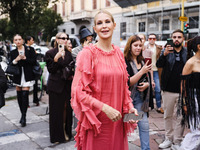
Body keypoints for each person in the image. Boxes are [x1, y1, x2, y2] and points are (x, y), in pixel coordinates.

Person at [71, 10, 138, 150]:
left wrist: (130, 108)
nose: (104, 26)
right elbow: (78, 92)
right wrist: (105, 108)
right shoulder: (87, 54)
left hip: (118, 121)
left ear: (114, 25)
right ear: (95, 29)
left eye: (107, 22)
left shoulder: (119, 53)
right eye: (99, 23)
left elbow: (124, 88)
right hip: (97, 122)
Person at [156, 29, 187, 150]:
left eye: (179, 37)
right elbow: (158, 65)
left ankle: (177, 141)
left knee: (181, 117)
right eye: (174, 37)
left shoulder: (188, 52)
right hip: (168, 89)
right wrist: (163, 55)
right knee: (168, 115)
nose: (176, 39)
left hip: (183, 91)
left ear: (183, 39)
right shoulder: (166, 51)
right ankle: (168, 139)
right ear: (171, 38)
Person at [45, 32, 73, 143]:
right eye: (62, 38)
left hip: (67, 85)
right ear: (57, 40)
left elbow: (71, 69)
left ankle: (66, 132)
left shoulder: (69, 53)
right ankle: (57, 136)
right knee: (56, 111)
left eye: (66, 38)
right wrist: (56, 59)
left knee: (68, 110)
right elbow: (51, 70)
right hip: (55, 86)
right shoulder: (50, 53)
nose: (65, 40)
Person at [124, 35, 152, 150]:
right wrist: (142, 72)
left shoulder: (143, 60)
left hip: (140, 99)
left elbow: (147, 78)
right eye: (135, 45)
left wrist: (147, 84)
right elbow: (127, 82)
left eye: (140, 45)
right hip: (127, 100)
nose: (138, 48)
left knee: (144, 125)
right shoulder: (124, 61)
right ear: (130, 46)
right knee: (124, 128)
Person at [178, 36, 200, 150]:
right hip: (194, 99)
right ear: (199, 47)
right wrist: (185, 103)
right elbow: (183, 85)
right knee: (196, 130)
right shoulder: (190, 62)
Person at [10, 34, 36, 127]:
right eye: (16, 40)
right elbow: (11, 64)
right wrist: (16, 60)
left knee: (25, 95)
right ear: (14, 41)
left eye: (19, 39)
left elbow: (34, 61)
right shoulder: (13, 52)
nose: (18, 41)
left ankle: (24, 116)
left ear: (23, 41)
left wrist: (25, 59)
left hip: (27, 75)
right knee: (19, 96)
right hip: (18, 76)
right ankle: (22, 114)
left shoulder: (30, 50)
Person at [144, 33, 163, 114]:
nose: (152, 40)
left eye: (154, 38)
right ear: (148, 39)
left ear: (156, 39)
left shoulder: (158, 48)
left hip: (156, 70)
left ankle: (159, 106)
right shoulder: (145, 48)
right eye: (150, 38)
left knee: (158, 89)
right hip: (146, 70)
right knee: (146, 88)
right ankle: (147, 106)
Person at [25, 36, 40, 106]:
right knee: (33, 86)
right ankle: (35, 100)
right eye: (32, 40)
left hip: (28, 70)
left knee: (30, 87)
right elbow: (33, 60)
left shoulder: (26, 48)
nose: (33, 41)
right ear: (28, 41)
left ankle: (28, 102)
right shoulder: (30, 49)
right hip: (31, 70)